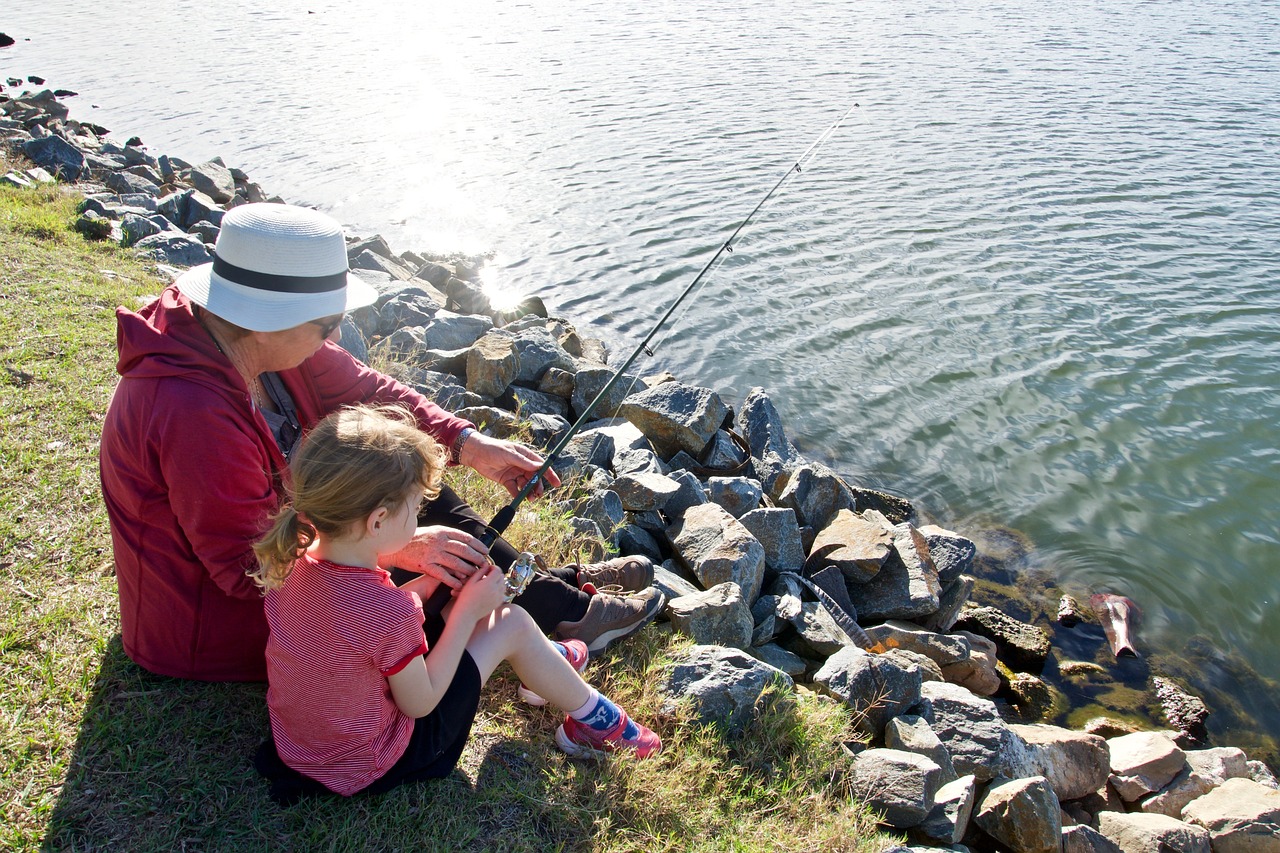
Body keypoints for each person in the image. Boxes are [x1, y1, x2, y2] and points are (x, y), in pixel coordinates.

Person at [99, 202, 664, 682]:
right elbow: (248, 569)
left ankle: (551, 595)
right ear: (269, 319)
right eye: (325, 326)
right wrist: (395, 550)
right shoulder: (190, 412)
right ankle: (557, 605)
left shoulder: (240, 337)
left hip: (278, 558)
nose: (336, 338)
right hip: (215, 626)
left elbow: (372, 391)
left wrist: (468, 443)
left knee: (401, 477)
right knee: (405, 533)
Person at [251, 405, 660, 799]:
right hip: (377, 762)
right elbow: (419, 701)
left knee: (454, 604)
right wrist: (466, 613)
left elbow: (355, 631)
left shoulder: (290, 567)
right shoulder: (386, 613)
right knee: (510, 622)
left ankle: (544, 662)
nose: (419, 523)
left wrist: (429, 585)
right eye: (415, 511)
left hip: (302, 751)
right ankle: (593, 723)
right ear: (377, 521)